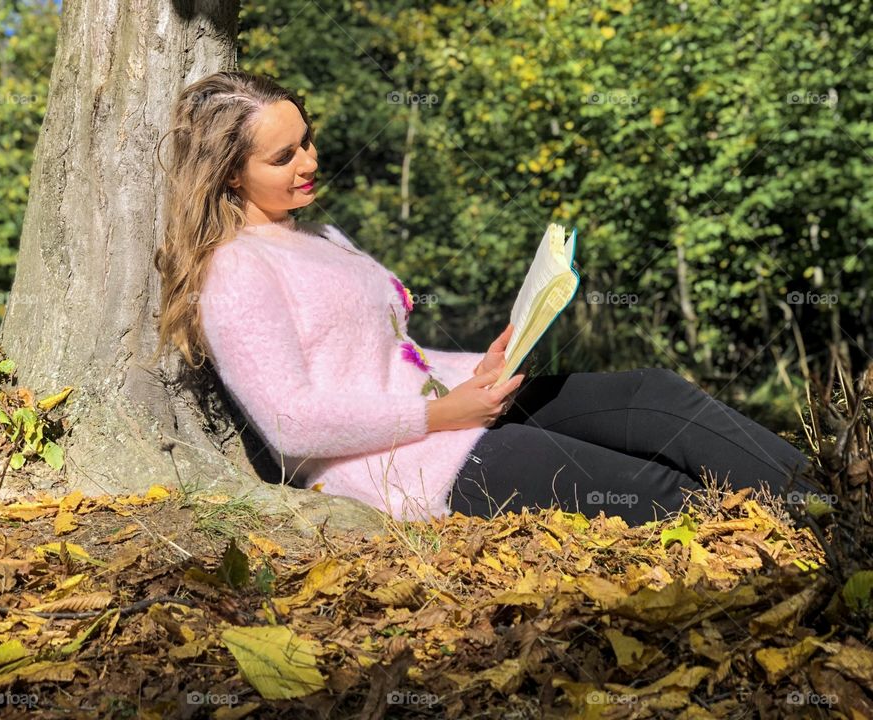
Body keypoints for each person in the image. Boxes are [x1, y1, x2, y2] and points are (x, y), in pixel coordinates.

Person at [152, 70, 813, 526]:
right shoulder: (235, 272)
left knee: (655, 396)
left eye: (309, 140)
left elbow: (392, 356)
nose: (310, 162)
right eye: (284, 156)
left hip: (455, 405)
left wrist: (480, 364)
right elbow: (293, 426)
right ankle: (812, 544)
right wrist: (445, 415)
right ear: (228, 172)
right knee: (656, 489)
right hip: (407, 463)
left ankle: (836, 497)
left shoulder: (322, 234)